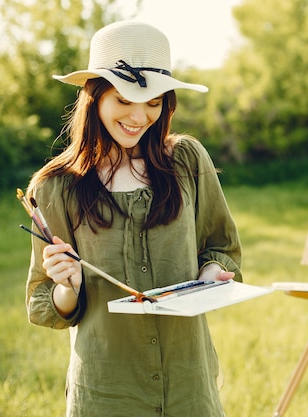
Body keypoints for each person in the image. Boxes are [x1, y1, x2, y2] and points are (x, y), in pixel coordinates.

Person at [24, 20, 242, 417]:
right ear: (95, 97)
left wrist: (210, 277)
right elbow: (44, 302)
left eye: (154, 103)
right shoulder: (55, 188)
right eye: (124, 100)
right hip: (107, 389)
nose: (139, 117)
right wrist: (66, 283)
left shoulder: (188, 161)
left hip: (188, 383)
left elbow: (221, 248)